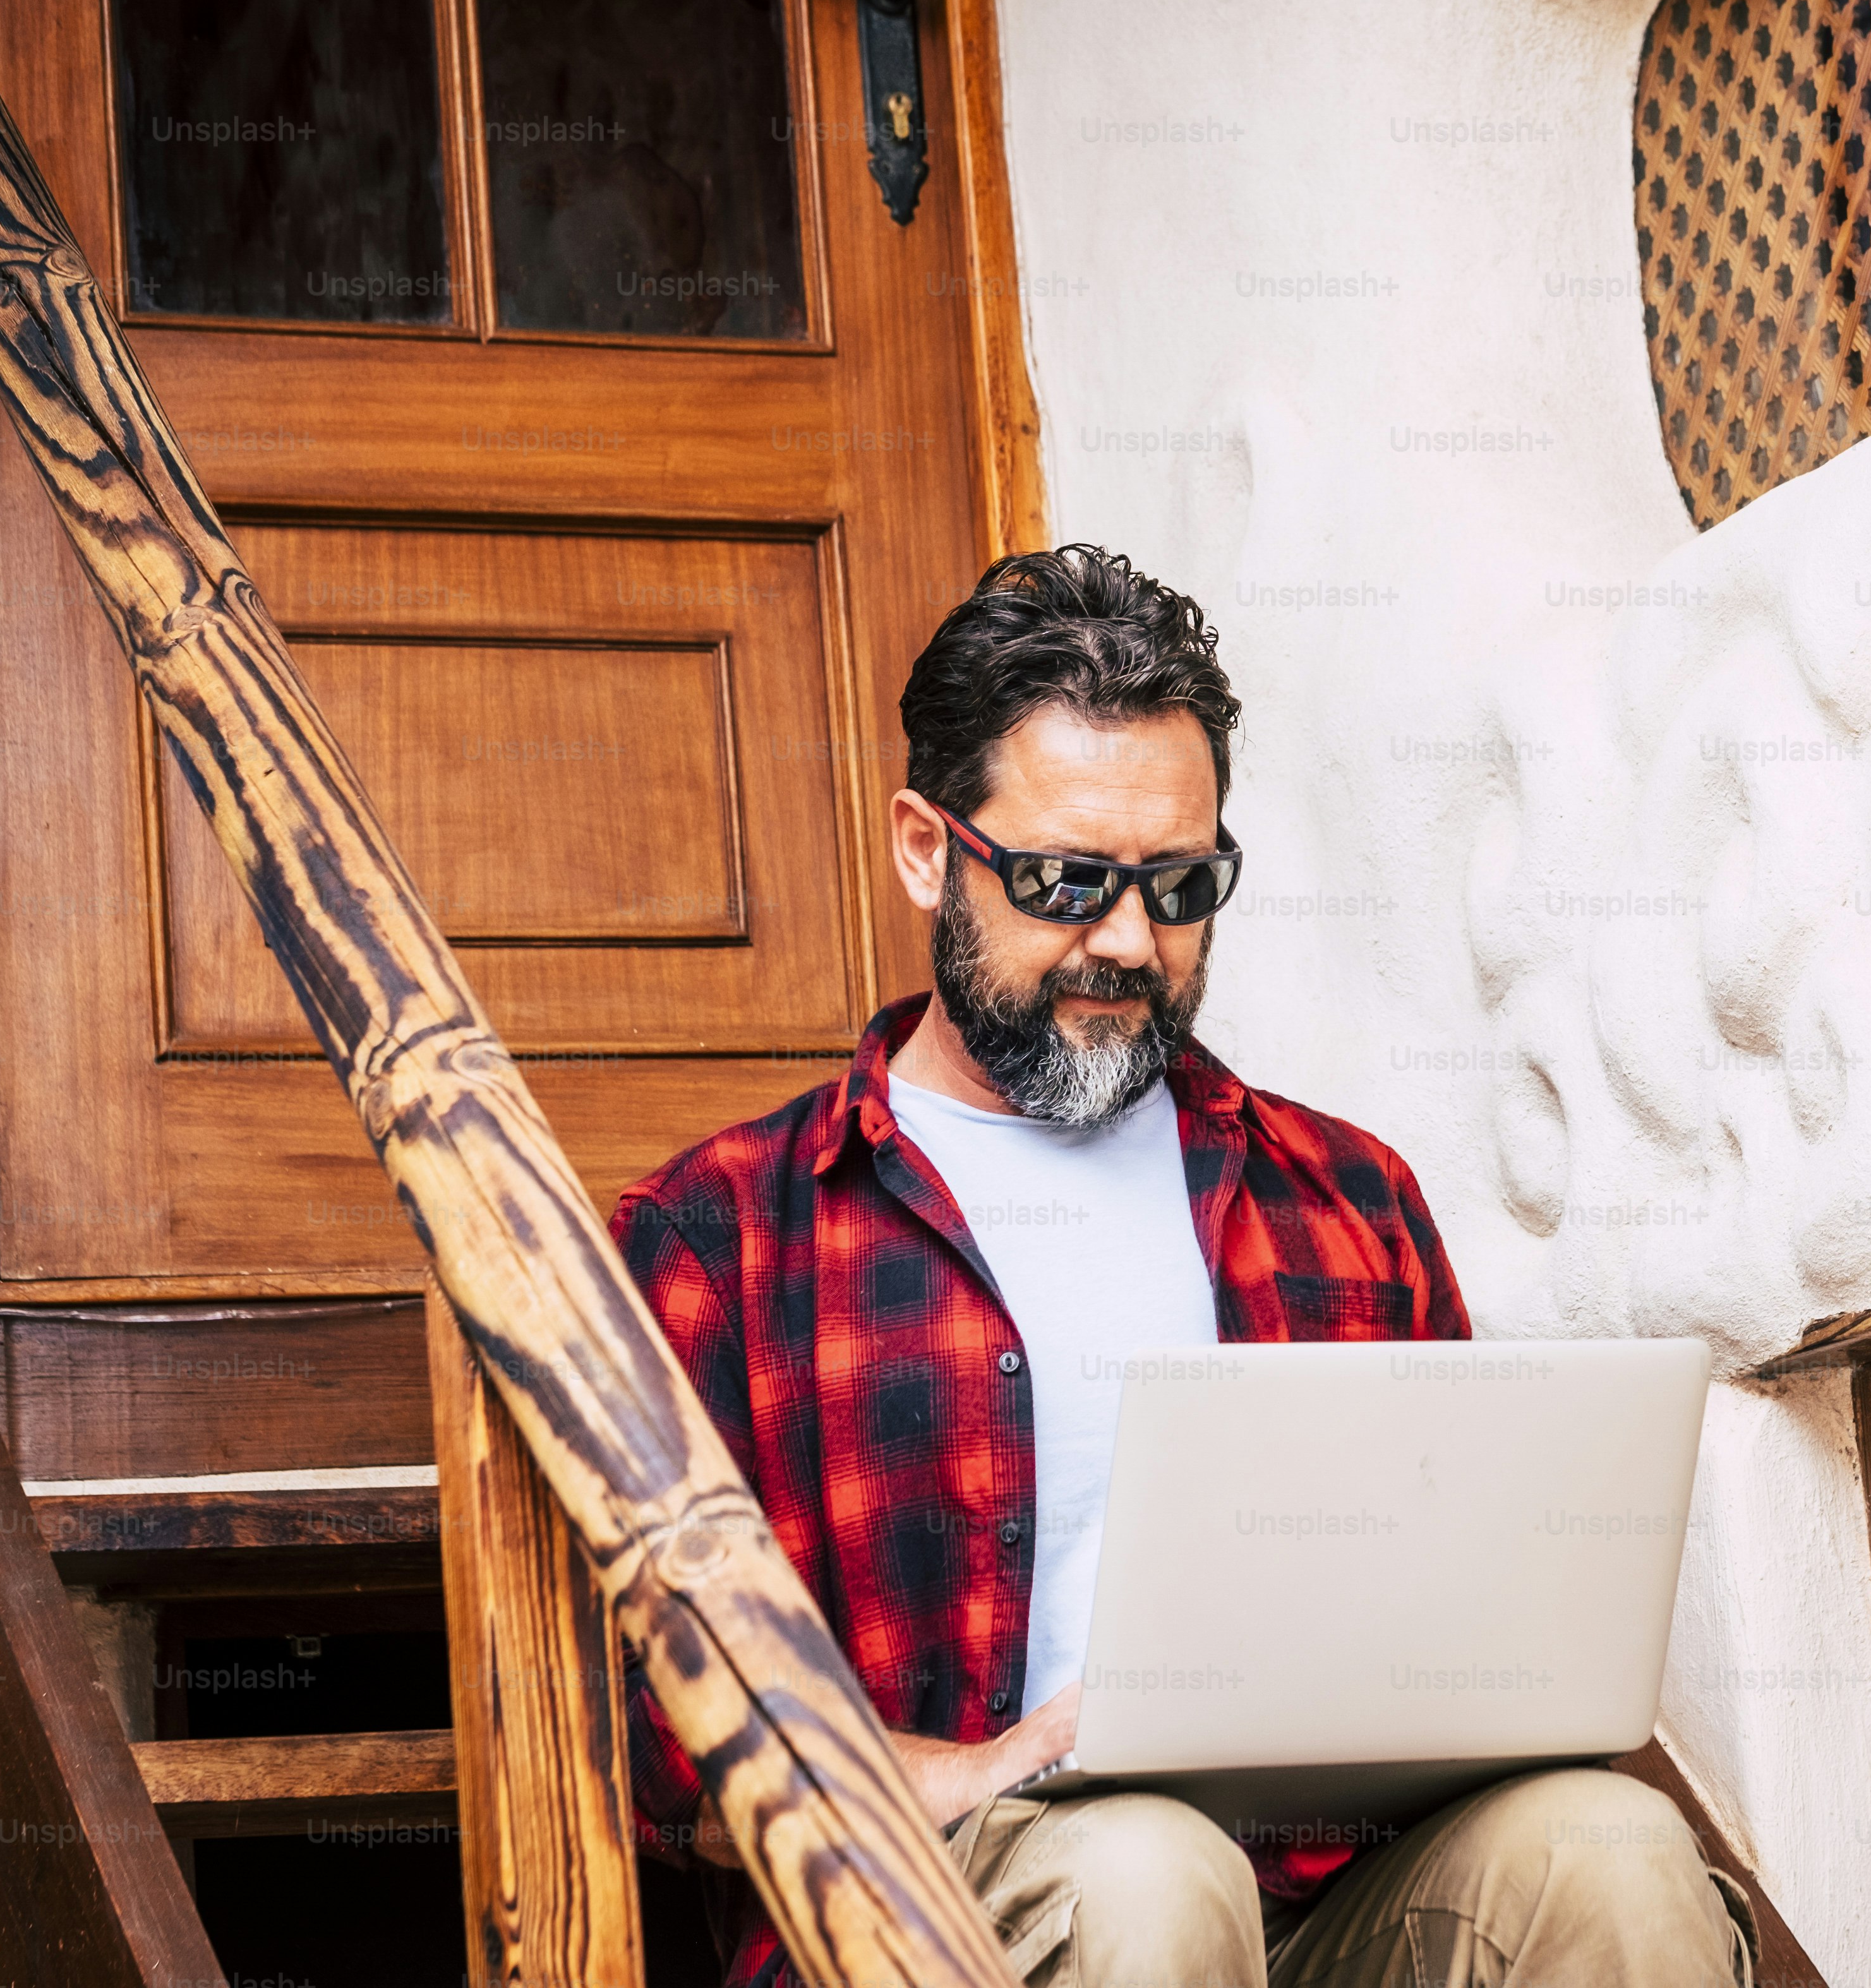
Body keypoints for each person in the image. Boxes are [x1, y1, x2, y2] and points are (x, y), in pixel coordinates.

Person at [614, 546, 1756, 1987]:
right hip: (950, 1912)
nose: (1128, 942)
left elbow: (1477, 1615)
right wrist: (977, 1771)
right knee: (1147, 1872)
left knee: (1616, 1849)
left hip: (1326, 1895)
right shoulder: (722, 1241)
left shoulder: (1347, 1199)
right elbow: (663, 1735)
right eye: (1064, 879)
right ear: (925, 849)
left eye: (1180, 883)